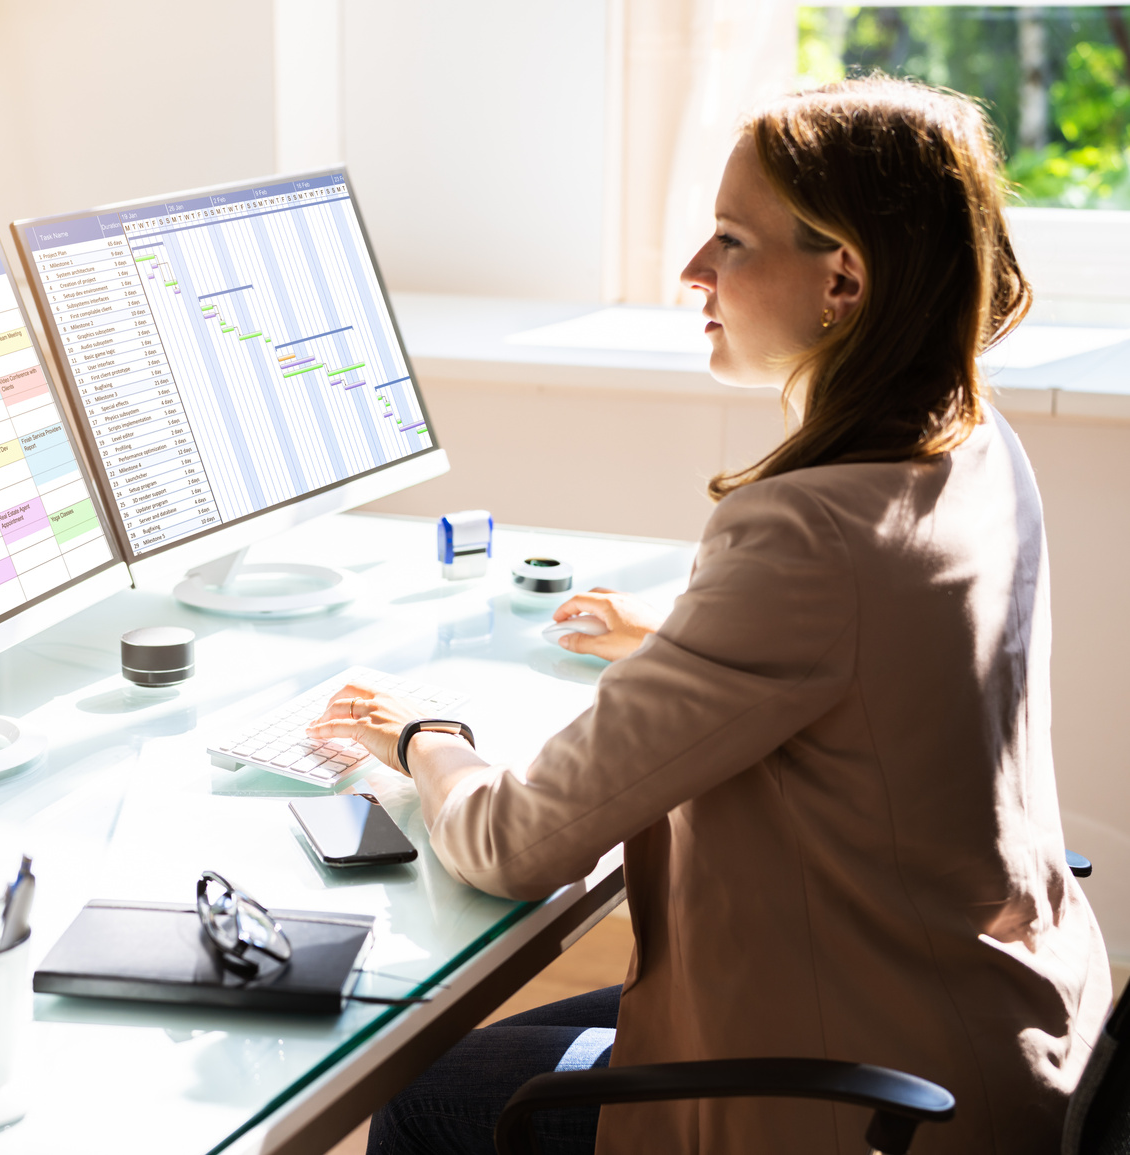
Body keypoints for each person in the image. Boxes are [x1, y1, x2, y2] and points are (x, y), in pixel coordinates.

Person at [310, 76, 1112, 1155]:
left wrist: (424, 737)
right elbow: (888, 666)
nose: (694, 271)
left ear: (844, 279)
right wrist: (677, 641)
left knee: (418, 1095)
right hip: (1002, 1026)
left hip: (864, 1099)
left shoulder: (807, 535)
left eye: (731, 241)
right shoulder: (968, 441)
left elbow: (510, 845)